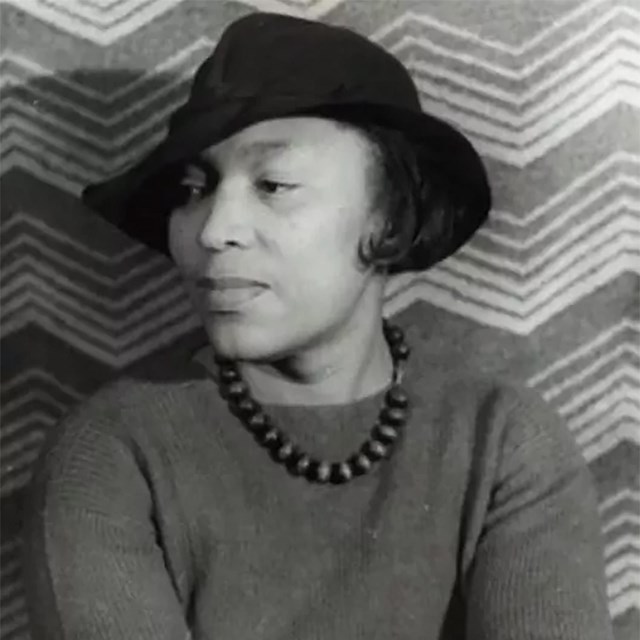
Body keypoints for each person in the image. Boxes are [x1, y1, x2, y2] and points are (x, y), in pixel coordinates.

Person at [22, 11, 614, 640]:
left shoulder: (503, 443)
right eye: (194, 189)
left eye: (273, 184)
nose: (213, 229)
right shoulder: (113, 452)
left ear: (387, 220)